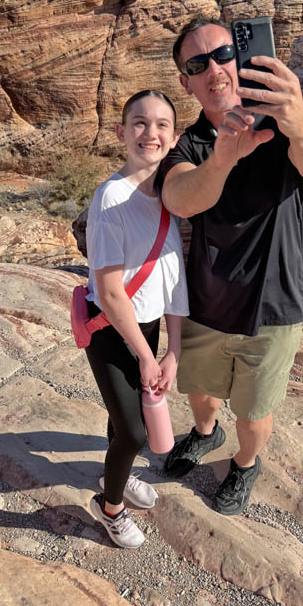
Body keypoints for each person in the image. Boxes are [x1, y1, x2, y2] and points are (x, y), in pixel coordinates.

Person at [158, 17, 303, 515]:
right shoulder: (192, 145)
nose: (214, 69)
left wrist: (299, 121)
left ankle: (244, 464)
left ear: (240, 59)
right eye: (198, 64)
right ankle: (203, 433)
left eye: (223, 55)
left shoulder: (288, 126)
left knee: (255, 412)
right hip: (206, 301)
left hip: (274, 306)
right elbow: (179, 198)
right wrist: (222, 160)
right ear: (186, 82)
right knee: (199, 390)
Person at [85, 89, 189, 548]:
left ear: (174, 136)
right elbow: (109, 291)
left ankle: (118, 474)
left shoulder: (166, 198)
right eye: (140, 123)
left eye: (162, 124)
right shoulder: (111, 198)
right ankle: (109, 508)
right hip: (110, 327)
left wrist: (174, 349)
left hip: (145, 327)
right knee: (133, 429)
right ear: (121, 133)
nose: (151, 133)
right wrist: (148, 357)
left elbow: (171, 278)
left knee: (120, 422)